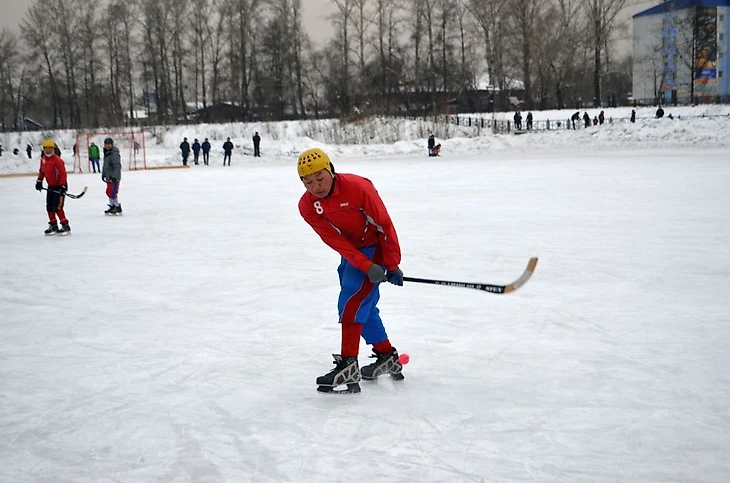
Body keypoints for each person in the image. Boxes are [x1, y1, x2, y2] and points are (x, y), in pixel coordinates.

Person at [297, 147, 405, 394]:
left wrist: (392, 263)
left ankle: (348, 364)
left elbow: (384, 225)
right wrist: (364, 265)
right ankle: (386, 355)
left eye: (320, 177)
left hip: (375, 246)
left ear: (331, 170)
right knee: (362, 305)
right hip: (353, 255)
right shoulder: (307, 205)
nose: (315, 186)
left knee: (352, 301)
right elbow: (334, 240)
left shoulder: (358, 188)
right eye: (308, 181)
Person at [35, 139, 71, 235]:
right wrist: (39, 181)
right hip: (50, 186)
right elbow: (42, 171)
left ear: (53, 149)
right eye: (46, 148)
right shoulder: (43, 159)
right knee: (49, 207)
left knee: (57, 207)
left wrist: (62, 185)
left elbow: (63, 174)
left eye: (50, 148)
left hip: (59, 186)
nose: (48, 150)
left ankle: (65, 224)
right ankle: (53, 224)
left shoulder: (57, 160)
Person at [102, 137, 122, 215]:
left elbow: (117, 166)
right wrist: (103, 174)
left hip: (114, 177)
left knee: (113, 192)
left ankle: (116, 206)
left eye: (109, 144)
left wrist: (115, 176)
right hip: (108, 176)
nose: (108, 146)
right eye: (106, 144)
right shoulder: (107, 153)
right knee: (109, 192)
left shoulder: (114, 153)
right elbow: (105, 165)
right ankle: (112, 205)